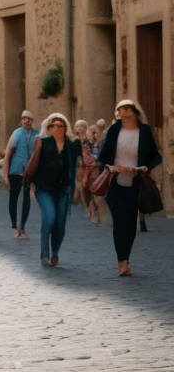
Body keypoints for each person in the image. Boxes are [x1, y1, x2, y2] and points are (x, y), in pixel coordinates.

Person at [96, 99, 162, 276]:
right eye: (121, 109)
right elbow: (103, 157)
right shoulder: (113, 130)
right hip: (114, 182)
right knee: (119, 221)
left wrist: (144, 168)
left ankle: (126, 257)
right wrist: (112, 167)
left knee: (131, 223)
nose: (125, 112)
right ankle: (122, 262)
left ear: (134, 111)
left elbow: (156, 157)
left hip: (135, 183)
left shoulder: (145, 131)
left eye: (128, 108)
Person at [26, 113, 80, 267]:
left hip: (64, 189)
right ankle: (44, 252)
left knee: (60, 223)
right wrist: (38, 148)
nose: (58, 129)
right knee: (50, 217)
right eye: (55, 126)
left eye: (61, 126)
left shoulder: (71, 145)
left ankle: (55, 253)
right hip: (44, 188)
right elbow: (33, 164)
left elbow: (79, 163)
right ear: (49, 128)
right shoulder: (43, 143)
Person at [1, 110, 37, 239]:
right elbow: (8, 154)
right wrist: (5, 176)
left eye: (29, 119)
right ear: (21, 121)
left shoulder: (37, 134)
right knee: (14, 197)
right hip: (15, 170)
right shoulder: (16, 133)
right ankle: (14, 226)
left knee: (27, 199)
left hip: (29, 171)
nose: (26, 121)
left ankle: (22, 226)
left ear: (32, 121)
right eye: (24, 118)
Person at [85, 124, 107, 225]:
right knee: (92, 195)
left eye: (95, 131)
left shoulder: (102, 142)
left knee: (98, 195)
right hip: (89, 171)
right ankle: (93, 215)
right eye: (91, 131)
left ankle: (101, 217)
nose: (94, 133)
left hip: (100, 170)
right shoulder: (86, 143)